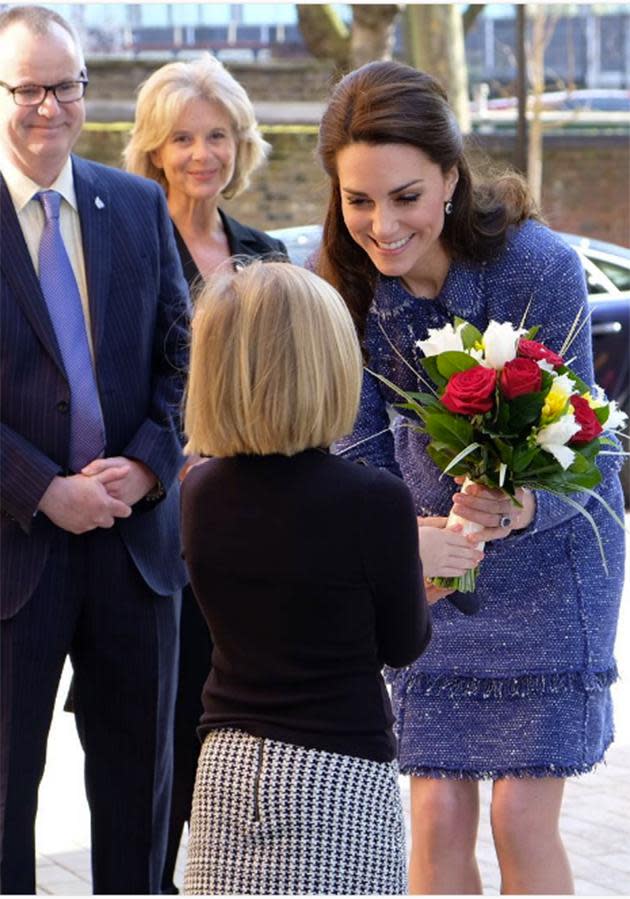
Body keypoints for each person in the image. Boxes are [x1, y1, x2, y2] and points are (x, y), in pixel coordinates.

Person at [315, 60, 625, 894]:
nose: (381, 225)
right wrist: (411, 554)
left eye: (405, 195)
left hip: (553, 566)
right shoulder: (342, 290)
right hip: (426, 577)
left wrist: (521, 505)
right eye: (359, 200)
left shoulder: (538, 265)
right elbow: (357, 459)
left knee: (518, 817)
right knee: (435, 818)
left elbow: (591, 446)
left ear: (451, 178)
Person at [0, 6, 190, 894]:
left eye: (65, 85)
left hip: (134, 552)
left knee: (139, 801)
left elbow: (183, 359)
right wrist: (42, 488)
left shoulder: (138, 205)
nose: (50, 107)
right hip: (14, 557)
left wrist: (151, 461)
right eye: (28, 88)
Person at [180, 259, 432, 895]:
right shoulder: (373, 499)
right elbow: (402, 644)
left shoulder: (200, 489)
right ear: (328, 364)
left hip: (226, 766)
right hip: (337, 772)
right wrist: (421, 575)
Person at [123, 54, 286, 892]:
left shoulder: (264, 252)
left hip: (253, 530)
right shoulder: (127, 240)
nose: (201, 154)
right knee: (160, 748)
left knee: (239, 748)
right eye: (182, 137)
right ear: (153, 148)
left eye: (217, 135)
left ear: (240, 144)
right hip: (159, 529)